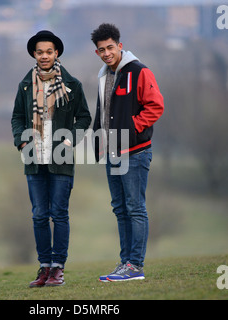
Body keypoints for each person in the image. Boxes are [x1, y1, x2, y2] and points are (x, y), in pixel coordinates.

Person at [11, 30, 91, 287]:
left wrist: (69, 141)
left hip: (60, 159)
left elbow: (84, 118)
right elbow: (17, 118)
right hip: (34, 159)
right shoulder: (25, 85)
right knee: (38, 215)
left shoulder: (73, 84)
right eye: (39, 52)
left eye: (49, 51)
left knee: (59, 214)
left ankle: (58, 268)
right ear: (34, 55)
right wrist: (22, 141)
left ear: (56, 53)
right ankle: (44, 267)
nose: (44, 56)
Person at [90, 23, 164, 281]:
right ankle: (125, 264)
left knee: (135, 208)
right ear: (97, 52)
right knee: (120, 209)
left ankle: (135, 267)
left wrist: (132, 128)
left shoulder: (139, 71)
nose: (107, 53)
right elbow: (103, 112)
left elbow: (155, 106)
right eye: (101, 49)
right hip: (111, 153)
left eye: (110, 47)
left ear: (120, 46)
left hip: (135, 152)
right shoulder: (104, 75)